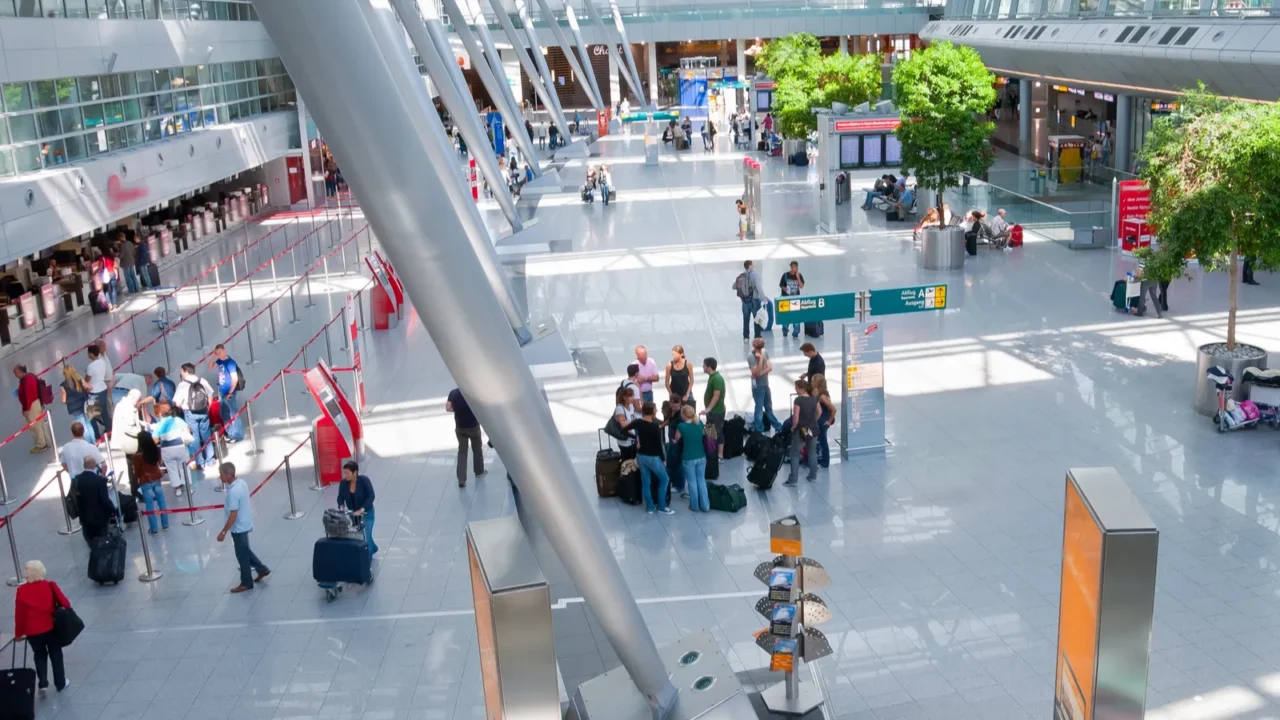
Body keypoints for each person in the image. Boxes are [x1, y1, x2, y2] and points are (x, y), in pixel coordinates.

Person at [13, 560, 72, 694]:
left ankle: (43, 683)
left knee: (39, 654)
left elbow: (19, 615)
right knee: (56, 654)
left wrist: (18, 634)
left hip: (32, 632)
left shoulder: (21, 590)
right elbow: (66, 604)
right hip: (50, 627)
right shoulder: (50, 585)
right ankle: (60, 683)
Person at [216, 462, 269, 593]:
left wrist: (223, 531)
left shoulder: (233, 492)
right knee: (244, 550)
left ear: (228, 475)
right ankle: (261, 569)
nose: (220, 477)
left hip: (238, 527)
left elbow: (233, 514)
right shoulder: (242, 483)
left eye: (221, 474)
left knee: (242, 555)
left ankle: (246, 582)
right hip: (245, 522)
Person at [631, 402, 674, 515]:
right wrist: (663, 459)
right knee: (664, 479)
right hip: (652, 457)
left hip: (641, 455)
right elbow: (658, 445)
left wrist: (635, 438)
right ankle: (662, 506)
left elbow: (624, 430)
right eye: (655, 409)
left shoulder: (638, 422)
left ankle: (650, 507)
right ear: (652, 412)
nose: (657, 411)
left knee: (646, 481)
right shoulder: (655, 427)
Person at [175, 363, 216, 471]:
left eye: (181, 371)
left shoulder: (182, 385)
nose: (180, 373)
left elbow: (177, 403)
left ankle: (200, 462)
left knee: (195, 437)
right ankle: (210, 460)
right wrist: (208, 407)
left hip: (190, 413)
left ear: (186, 372)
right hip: (203, 411)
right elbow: (210, 394)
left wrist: (183, 407)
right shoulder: (202, 380)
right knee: (206, 434)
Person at [72, 456, 116, 547]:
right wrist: (113, 511)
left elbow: (77, 498)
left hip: (85, 517)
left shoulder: (77, 479)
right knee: (102, 542)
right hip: (99, 517)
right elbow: (105, 499)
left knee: (90, 540)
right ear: (93, 465)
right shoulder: (100, 480)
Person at [672, 405, 709, 512]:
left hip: (688, 457)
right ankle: (705, 505)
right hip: (701, 456)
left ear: (683, 415)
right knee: (701, 480)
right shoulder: (699, 423)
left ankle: (695, 506)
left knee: (692, 482)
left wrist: (675, 441)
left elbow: (676, 438)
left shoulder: (681, 426)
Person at [152, 402, 194, 497]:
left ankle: (177, 489)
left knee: (172, 470)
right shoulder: (178, 420)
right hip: (180, 447)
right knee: (184, 468)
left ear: (160, 414)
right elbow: (187, 430)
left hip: (167, 450)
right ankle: (188, 488)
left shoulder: (159, 425)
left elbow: (155, 440)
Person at [337, 461, 377, 559]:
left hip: (367, 513)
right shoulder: (343, 483)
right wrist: (341, 506)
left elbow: (371, 496)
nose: (345, 475)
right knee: (363, 534)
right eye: (344, 473)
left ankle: (367, 562)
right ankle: (374, 548)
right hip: (354, 516)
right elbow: (340, 497)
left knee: (366, 537)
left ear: (355, 473)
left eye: (347, 473)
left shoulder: (364, 481)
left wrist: (362, 509)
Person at [447, 387, 485, 487]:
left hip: (460, 427)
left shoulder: (453, 393)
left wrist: (457, 410)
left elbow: (448, 408)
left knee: (462, 452)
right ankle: (479, 471)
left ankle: (461, 479)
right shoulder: (473, 393)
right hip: (473, 427)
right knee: (477, 449)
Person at [133, 430, 169, 534]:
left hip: (145, 480)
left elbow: (137, 470)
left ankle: (154, 528)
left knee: (149, 505)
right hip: (156, 477)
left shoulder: (138, 456)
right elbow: (159, 462)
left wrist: (137, 479)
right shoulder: (156, 450)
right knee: (161, 501)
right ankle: (165, 524)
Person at [786, 379, 819, 486]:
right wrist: (813, 420)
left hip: (802, 430)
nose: (795, 389)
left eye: (796, 388)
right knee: (812, 452)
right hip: (813, 429)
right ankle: (812, 476)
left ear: (802, 389)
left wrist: (793, 427)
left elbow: (796, 417)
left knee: (794, 454)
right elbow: (819, 411)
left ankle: (793, 480)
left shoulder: (798, 400)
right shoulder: (814, 398)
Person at [208, 345, 244, 442]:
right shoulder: (220, 361)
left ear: (224, 350)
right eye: (217, 353)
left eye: (220, 352)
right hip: (222, 392)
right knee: (224, 413)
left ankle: (238, 435)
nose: (219, 354)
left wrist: (230, 392)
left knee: (233, 413)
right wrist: (213, 356)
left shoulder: (230, 363)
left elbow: (234, 379)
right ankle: (231, 433)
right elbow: (209, 367)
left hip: (229, 392)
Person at [14, 364, 50, 454]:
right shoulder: (28, 377)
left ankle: (41, 445)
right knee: (40, 423)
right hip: (35, 403)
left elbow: (28, 395)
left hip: (31, 405)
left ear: (19, 371)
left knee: (35, 425)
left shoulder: (27, 380)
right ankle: (46, 441)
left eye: (15, 372)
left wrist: (25, 409)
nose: (15, 375)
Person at [750, 338, 780, 433]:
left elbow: (768, 368)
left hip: (765, 384)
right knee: (759, 409)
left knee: (768, 408)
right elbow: (756, 371)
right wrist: (760, 360)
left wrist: (759, 373)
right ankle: (759, 429)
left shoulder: (764, 352)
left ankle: (777, 426)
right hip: (758, 387)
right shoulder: (751, 357)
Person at [810, 374, 837, 469]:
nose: (811, 382)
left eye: (813, 380)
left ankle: (825, 461)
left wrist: (829, 421)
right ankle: (822, 459)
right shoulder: (819, 394)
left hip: (822, 421)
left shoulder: (822, 396)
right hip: (821, 420)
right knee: (821, 440)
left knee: (823, 441)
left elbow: (833, 409)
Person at [700, 357, 726, 459]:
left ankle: (718, 455)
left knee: (717, 433)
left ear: (709, 367)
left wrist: (708, 409)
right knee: (711, 431)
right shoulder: (712, 377)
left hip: (716, 412)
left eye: (704, 365)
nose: (703, 367)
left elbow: (716, 396)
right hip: (713, 412)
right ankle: (712, 454)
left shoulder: (717, 379)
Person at [85, 345, 112, 435]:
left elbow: (87, 380)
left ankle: (96, 435)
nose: (88, 354)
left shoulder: (90, 366)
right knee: (104, 412)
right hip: (103, 389)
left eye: (89, 353)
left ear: (92, 354)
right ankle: (109, 429)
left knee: (92, 414)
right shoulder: (102, 362)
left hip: (94, 392)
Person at [736, 260, 765, 340]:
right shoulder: (754, 274)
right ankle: (757, 336)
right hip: (754, 300)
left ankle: (746, 337)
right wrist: (763, 297)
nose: (753, 265)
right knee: (757, 318)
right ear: (750, 265)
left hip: (744, 301)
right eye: (752, 264)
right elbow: (758, 286)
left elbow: (734, 286)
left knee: (746, 319)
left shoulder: (742, 276)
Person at [778, 262, 805, 338]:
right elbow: (781, 285)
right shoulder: (785, 275)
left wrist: (798, 277)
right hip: (785, 298)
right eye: (792, 267)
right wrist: (784, 288)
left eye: (795, 267)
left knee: (796, 317)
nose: (793, 268)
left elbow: (801, 286)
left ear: (797, 268)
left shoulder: (799, 275)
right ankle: (785, 330)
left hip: (795, 299)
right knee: (785, 316)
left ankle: (796, 332)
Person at [665, 345, 694, 411]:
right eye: (672, 354)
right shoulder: (669, 365)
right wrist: (671, 394)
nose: (673, 356)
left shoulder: (688, 364)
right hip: (675, 394)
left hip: (686, 392)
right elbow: (667, 382)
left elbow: (691, 380)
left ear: (681, 354)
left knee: (690, 412)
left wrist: (687, 394)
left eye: (675, 355)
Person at [613, 385, 638, 461]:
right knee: (627, 461)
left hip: (632, 440)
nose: (633, 398)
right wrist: (635, 436)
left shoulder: (631, 407)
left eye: (633, 396)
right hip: (625, 442)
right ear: (624, 398)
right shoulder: (620, 409)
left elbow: (634, 420)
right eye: (631, 396)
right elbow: (624, 426)